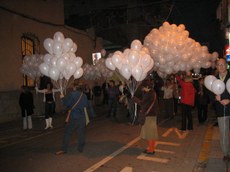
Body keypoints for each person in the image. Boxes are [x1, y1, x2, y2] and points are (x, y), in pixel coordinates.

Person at [56, 83, 89, 155]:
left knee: (67, 133)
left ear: (74, 88)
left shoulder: (72, 94)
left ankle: (64, 149)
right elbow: (86, 105)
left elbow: (67, 104)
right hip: (81, 117)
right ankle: (80, 148)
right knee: (81, 133)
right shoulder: (84, 95)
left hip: (73, 117)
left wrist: (62, 98)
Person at [132, 79, 159, 154]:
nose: (142, 88)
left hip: (149, 116)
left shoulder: (149, 94)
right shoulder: (152, 92)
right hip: (152, 115)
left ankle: (151, 149)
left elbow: (142, 103)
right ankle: (151, 148)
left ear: (147, 86)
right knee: (151, 133)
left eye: (143, 87)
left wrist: (135, 99)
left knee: (150, 133)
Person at [212, 58, 230, 161]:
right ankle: (226, 153)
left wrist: (229, 100)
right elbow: (209, 93)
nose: (221, 66)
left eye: (223, 64)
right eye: (219, 65)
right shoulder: (213, 79)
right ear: (217, 67)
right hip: (221, 110)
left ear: (226, 65)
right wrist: (215, 98)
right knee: (223, 132)